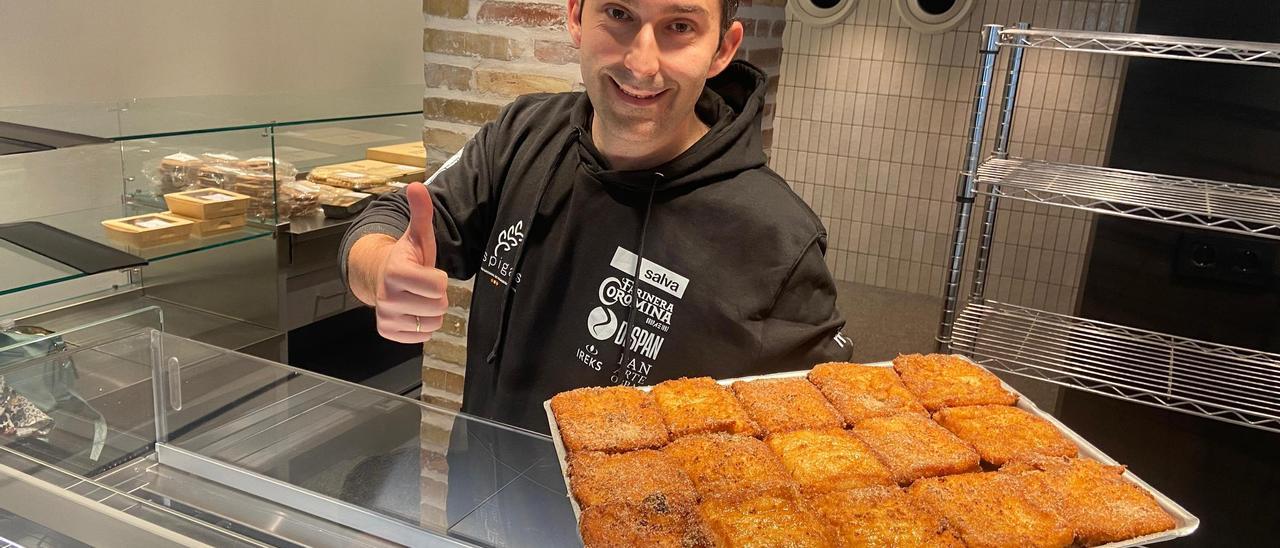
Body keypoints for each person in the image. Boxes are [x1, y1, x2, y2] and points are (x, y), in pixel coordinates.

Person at [341, 0, 852, 433]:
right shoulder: (522, 133)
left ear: (722, 48)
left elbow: (818, 445)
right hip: (481, 511)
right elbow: (385, 221)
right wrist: (383, 269)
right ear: (576, 17)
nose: (642, 63)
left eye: (679, 27)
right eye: (618, 13)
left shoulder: (778, 240)